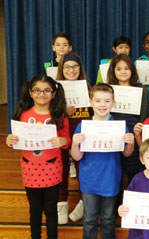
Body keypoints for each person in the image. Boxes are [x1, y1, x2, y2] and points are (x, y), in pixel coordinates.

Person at [6, 74, 71, 239]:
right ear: (30, 92)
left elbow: (67, 141)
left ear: (54, 93)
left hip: (52, 167)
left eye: (47, 90)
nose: (42, 94)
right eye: (37, 90)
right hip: (30, 169)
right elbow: (16, 141)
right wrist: (10, 139)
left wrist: (62, 140)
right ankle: (35, 236)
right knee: (34, 208)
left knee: (51, 208)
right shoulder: (23, 114)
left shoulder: (59, 115)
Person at [71, 83, 135, 239]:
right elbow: (77, 157)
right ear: (91, 102)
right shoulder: (83, 126)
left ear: (113, 103)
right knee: (89, 219)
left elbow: (127, 154)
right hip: (89, 181)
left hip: (110, 180)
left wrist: (131, 142)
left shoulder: (119, 126)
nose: (102, 105)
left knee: (108, 219)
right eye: (98, 101)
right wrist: (74, 143)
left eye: (107, 101)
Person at [107, 54, 149, 184]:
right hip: (113, 135)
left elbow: (148, 114)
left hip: (134, 135)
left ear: (132, 70)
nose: (123, 72)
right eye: (119, 69)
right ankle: (115, 203)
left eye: (126, 68)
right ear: (113, 71)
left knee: (133, 173)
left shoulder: (141, 89)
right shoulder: (108, 90)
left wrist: (139, 131)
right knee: (114, 173)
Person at [55, 51, 90, 224]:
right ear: (62, 68)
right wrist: (63, 112)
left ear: (80, 68)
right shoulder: (54, 89)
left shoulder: (87, 87)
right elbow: (48, 114)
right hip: (61, 135)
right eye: (67, 67)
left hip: (82, 134)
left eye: (75, 66)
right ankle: (61, 203)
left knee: (82, 167)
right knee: (61, 168)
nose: (71, 70)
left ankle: (84, 202)